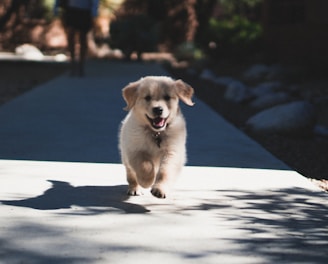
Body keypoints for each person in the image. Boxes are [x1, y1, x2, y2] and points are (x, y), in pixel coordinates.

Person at [54, 0, 99, 76]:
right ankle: (72, 63)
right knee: (71, 37)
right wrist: (56, 7)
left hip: (84, 11)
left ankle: (81, 65)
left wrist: (94, 13)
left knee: (83, 38)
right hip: (71, 10)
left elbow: (95, 1)